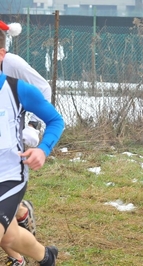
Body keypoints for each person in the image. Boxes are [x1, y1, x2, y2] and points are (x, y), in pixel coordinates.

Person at [0, 20, 52, 266]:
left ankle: (19, 258)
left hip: (12, 158)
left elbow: (43, 88)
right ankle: (21, 214)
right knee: (7, 234)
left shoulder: (14, 64)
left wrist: (32, 126)